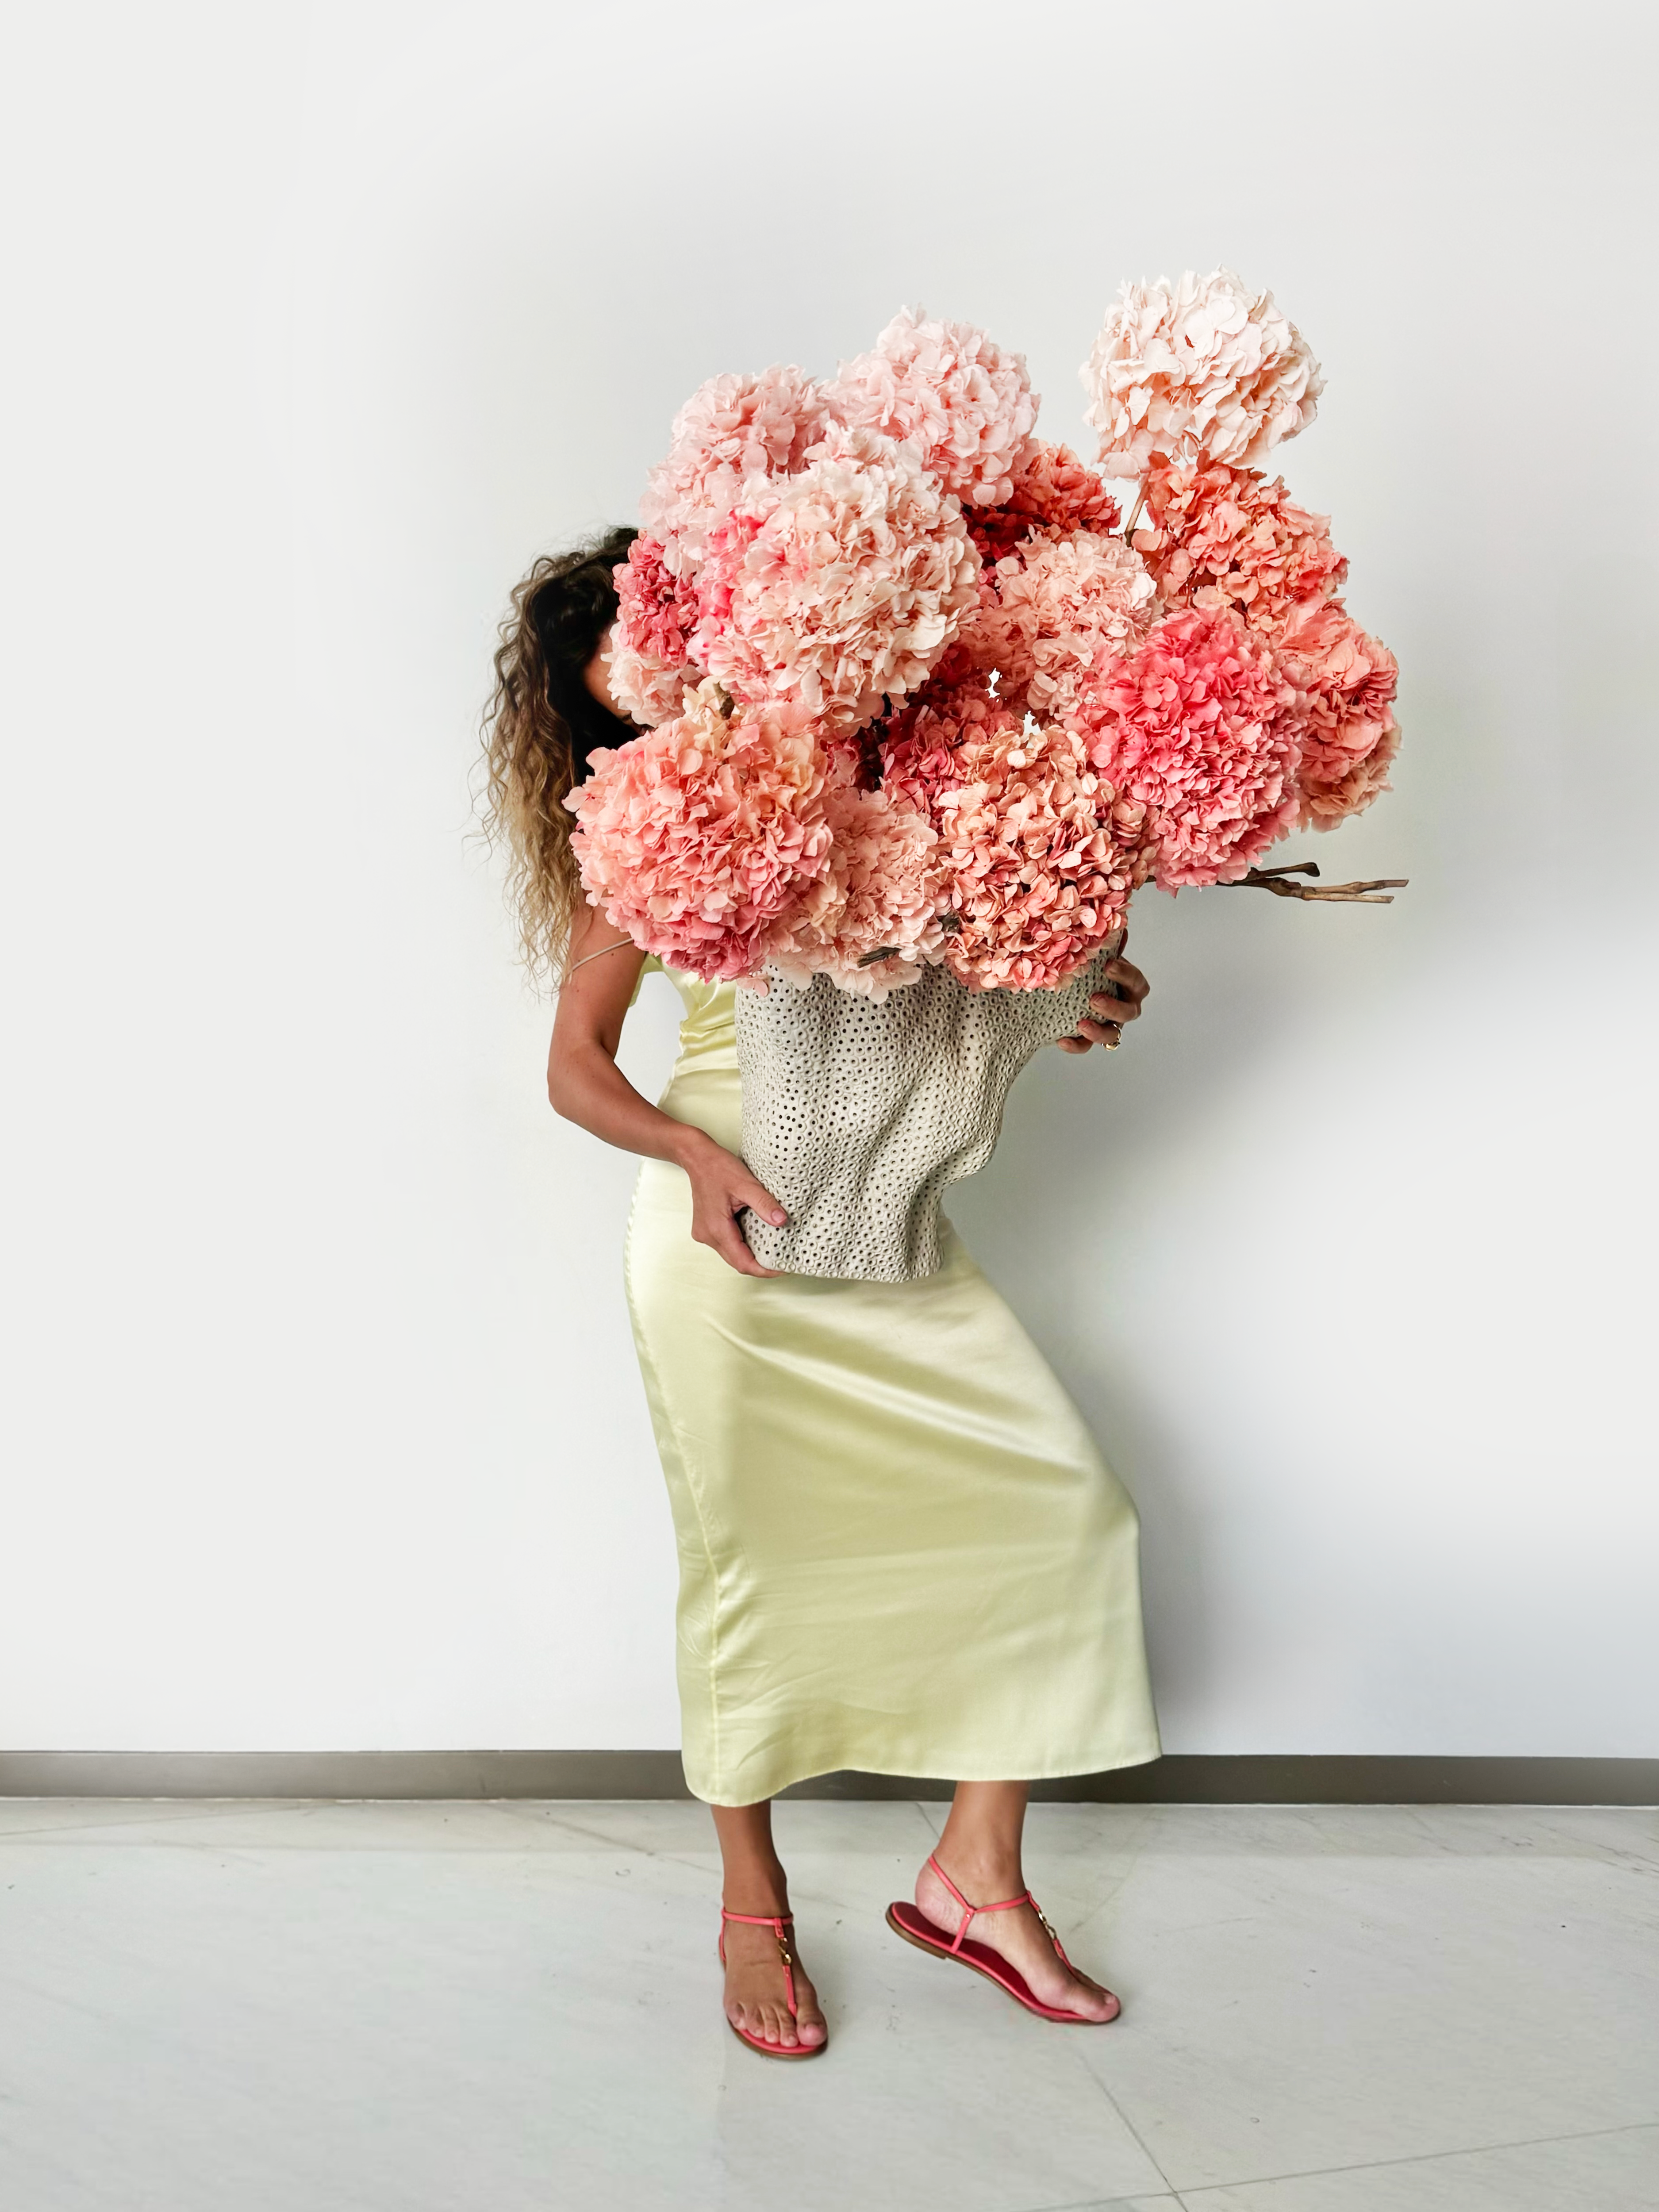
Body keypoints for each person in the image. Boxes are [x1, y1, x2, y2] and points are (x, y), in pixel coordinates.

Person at [482, 529, 1160, 2060]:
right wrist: (680, 1151)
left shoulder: (867, 786)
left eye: (666, 695)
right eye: (617, 717)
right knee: (750, 1580)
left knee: (1065, 1510)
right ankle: (752, 1911)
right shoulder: (643, 832)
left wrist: (1061, 995)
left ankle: (973, 1880)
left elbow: (928, 999)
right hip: (721, 1246)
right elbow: (572, 1071)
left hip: (883, 1224)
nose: (654, 736)